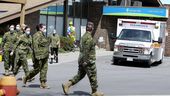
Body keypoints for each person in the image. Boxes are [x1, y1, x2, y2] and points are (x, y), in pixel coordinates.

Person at [62, 22, 104, 96]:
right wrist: (86, 61)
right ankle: (94, 92)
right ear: (93, 29)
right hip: (88, 61)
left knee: (80, 75)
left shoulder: (84, 36)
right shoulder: (89, 38)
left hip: (82, 59)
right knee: (93, 75)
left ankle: (67, 84)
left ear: (86, 28)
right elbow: (86, 50)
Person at [23, 24, 50, 89]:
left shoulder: (43, 35)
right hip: (39, 56)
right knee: (37, 69)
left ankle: (43, 83)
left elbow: (44, 44)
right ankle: (27, 77)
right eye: (44, 28)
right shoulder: (36, 35)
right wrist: (37, 56)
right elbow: (35, 46)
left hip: (45, 55)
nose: (45, 29)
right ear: (40, 28)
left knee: (44, 69)